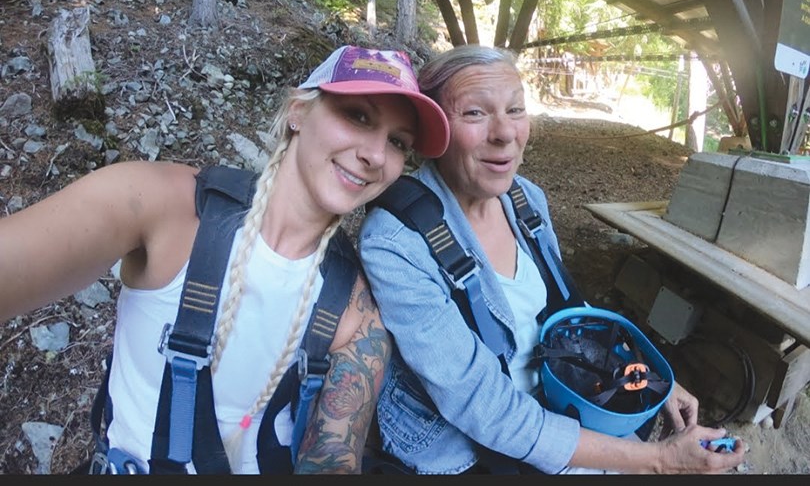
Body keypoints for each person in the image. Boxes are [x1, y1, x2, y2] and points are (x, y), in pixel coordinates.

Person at [0, 45, 450, 475]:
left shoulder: (354, 309)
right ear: (298, 112)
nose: (375, 155)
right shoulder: (161, 207)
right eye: (357, 116)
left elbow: (334, 456)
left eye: (397, 142)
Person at [358, 44, 746, 475]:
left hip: (552, 401)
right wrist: (656, 461)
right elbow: (483, 407)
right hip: (461, 448)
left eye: (516, 110)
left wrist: (654, 380)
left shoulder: (526, 201)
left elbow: (566, 314)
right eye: (474, 113)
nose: (505, 133)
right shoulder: (397, 241)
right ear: (433, 130)